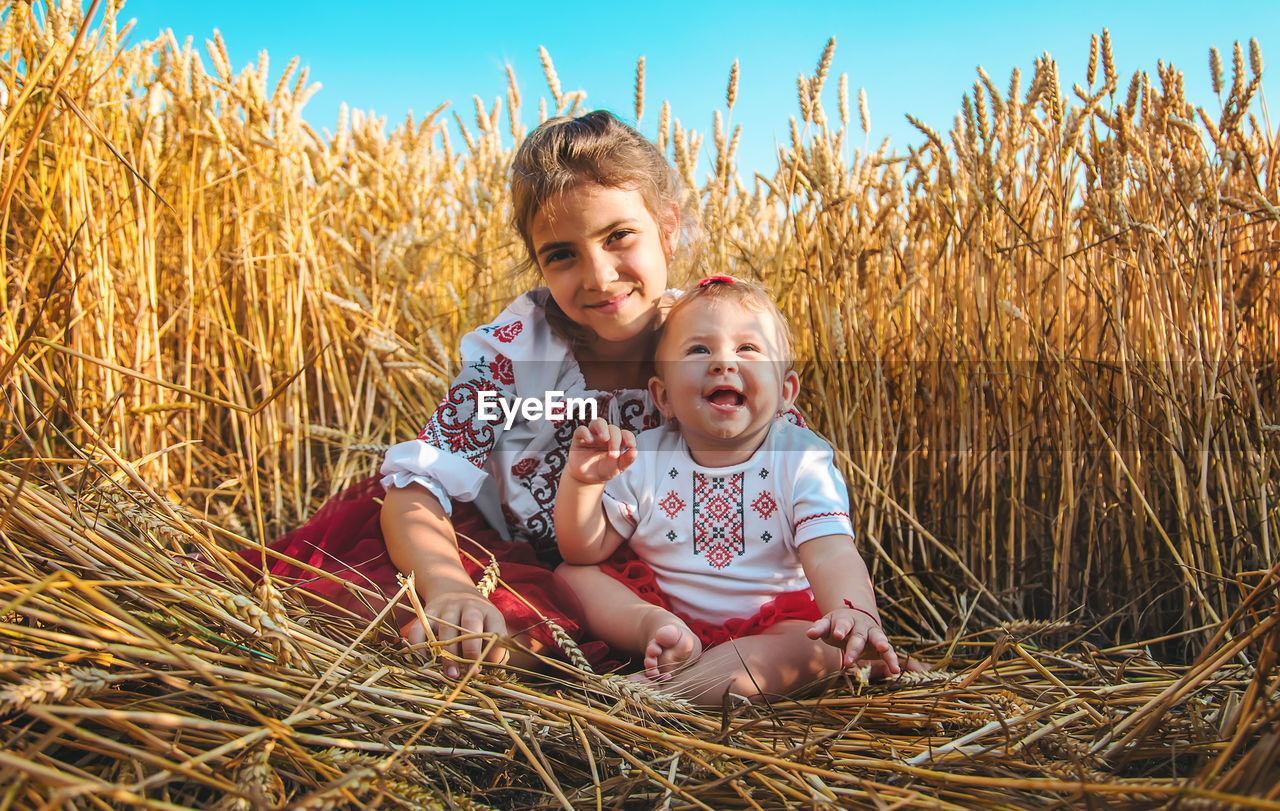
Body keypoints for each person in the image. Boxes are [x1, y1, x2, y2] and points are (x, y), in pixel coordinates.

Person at [241, 110, 693, 678]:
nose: (599, 277)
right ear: (537, 263)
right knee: (482, 641)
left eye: (618, 236)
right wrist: (451, 588)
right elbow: (420, 487)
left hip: (653, 580)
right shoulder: (516, 355)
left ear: (669, 227)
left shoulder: (715, 342)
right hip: (507, 557)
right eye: (561, 254)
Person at [553, 276, 901, 705]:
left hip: (771, 629)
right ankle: (658, 635)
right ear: (662, 397)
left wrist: (853, 611)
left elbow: (831, 551)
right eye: (699, 350)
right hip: (665, 611)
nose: (723, 363)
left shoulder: (800, 458)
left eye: (748, 349)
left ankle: (673, 693)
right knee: (571, 577)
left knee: (819, 651)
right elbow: (583, 552)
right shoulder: (643, 455)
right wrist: (584, 482)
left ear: (785, 393)